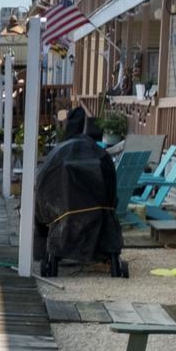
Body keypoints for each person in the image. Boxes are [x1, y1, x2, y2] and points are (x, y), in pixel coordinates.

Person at [33, 106, 127, 277]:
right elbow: (112, 191)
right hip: (99, 211)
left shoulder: (60, 153)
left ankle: (46, 255)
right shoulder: (98, 153)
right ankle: (110, 257)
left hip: (65, 213)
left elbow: (42, 188)